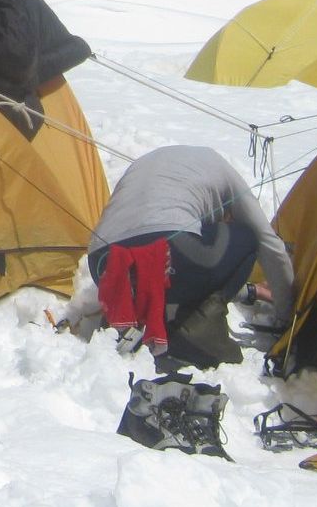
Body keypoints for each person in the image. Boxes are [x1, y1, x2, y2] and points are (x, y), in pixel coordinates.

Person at [87, 145, 294, 368]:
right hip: (168, 252)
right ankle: (191, 327)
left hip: (102, 260)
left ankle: (131, 310)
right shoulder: (224, 171)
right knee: (246, 237)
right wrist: (287, 314)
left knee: (172, 259)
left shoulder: (146, 163)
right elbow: (268, 242)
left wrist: (252, 291)